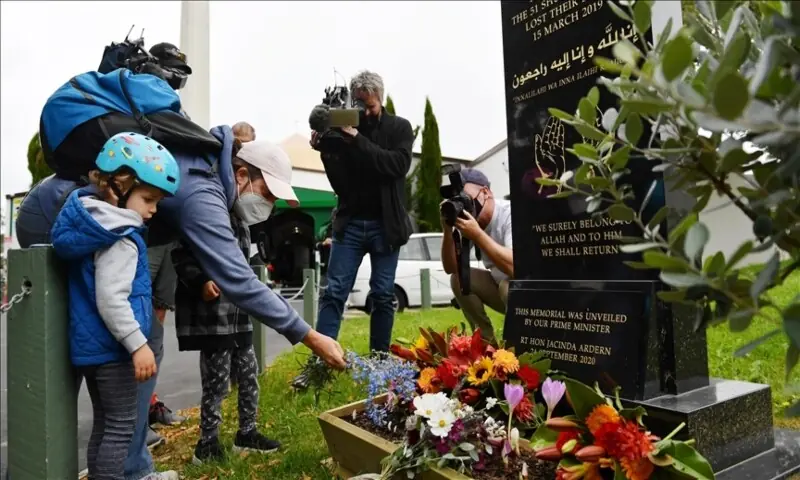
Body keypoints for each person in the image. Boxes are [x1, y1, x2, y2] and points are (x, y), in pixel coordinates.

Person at [50, 132, 181, 480]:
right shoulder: (121, 236)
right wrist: (138, 345)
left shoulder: (92, 224)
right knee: (122, 426)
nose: (153, 209)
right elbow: (111, 298)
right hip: (115, 349)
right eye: (149, 198)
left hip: (94, 349)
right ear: (117, 186)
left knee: (106, 426)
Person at [171, 139, 293, 463]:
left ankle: (247, 432)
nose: (266, 205)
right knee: (216, 381)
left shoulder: (241, 217)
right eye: (266, 194)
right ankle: (207, 443)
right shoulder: (207, 207)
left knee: (249, 373)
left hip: (239, 315)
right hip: (214, 318)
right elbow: (182, 253)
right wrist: (200, 281)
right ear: (241, 175)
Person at [293, 70, 414, 389]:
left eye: (370, 106)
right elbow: (341, 184)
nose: (365, 111)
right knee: (333, 292)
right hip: (350, 223)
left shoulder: (398, 128)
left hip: (386, 226)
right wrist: (327, 149)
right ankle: (321, 363)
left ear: (381, 99)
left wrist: (356, 139)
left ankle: (379, 362)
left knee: (383, 293)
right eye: (359, 104)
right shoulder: (343, 130)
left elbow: (396, 167)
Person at [440, 168, 513, 343]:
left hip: (528, 294)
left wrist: (477, 235)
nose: (464, 206)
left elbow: (516, 268)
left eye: (466, 198)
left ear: (486, 193)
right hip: (498, 289)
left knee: (507, 286)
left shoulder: (510, 213)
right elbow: (451, 268)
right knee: (459, 279)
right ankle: (485, 345)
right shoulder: (470, 222)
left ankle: (517, 346)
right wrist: (448, 231)